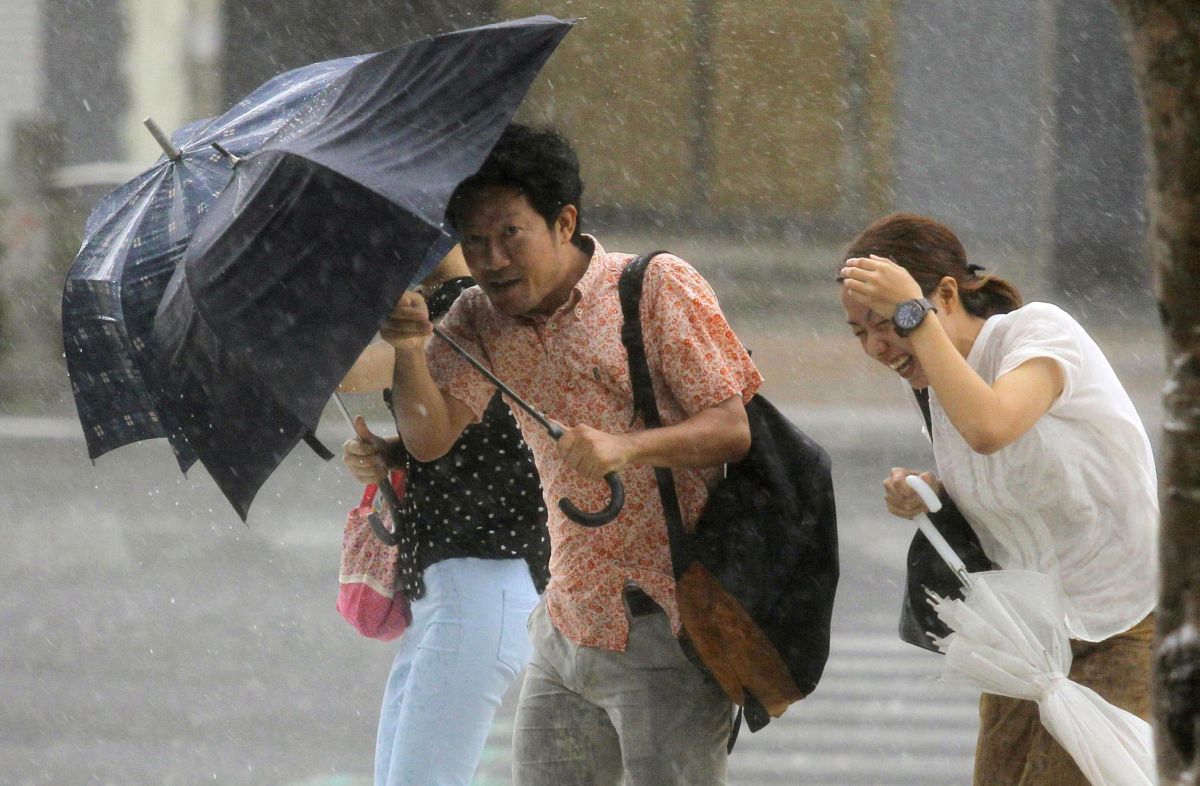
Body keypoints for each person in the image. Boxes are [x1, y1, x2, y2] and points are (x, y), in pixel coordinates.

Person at [366, 123, 761, 785]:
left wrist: (627, 447)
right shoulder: (474, 319)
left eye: (509, 234)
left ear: (564, 221)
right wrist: (408, 350)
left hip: (666, 628)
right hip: (565, 625)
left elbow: (731, 427)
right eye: (473, 241)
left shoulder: (653, 288)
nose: (491, 260)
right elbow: (431, 438)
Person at [837, 212, 1157, 786]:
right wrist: (933, 491)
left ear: (947, 295)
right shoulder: (937, 385)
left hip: (1120, 622)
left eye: (888, 322)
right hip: (1028, 635)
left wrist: (916, 314)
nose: (879, 346)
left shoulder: (1040, 333)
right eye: (860, 332)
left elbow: (992, 427)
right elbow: (1011, 475)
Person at [340, 246, 549, 786]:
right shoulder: (467, 311)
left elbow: (344, 374)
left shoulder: (464, 312)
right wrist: (392, 453)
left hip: (479, 586)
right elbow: (483, 444)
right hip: (461, 591)